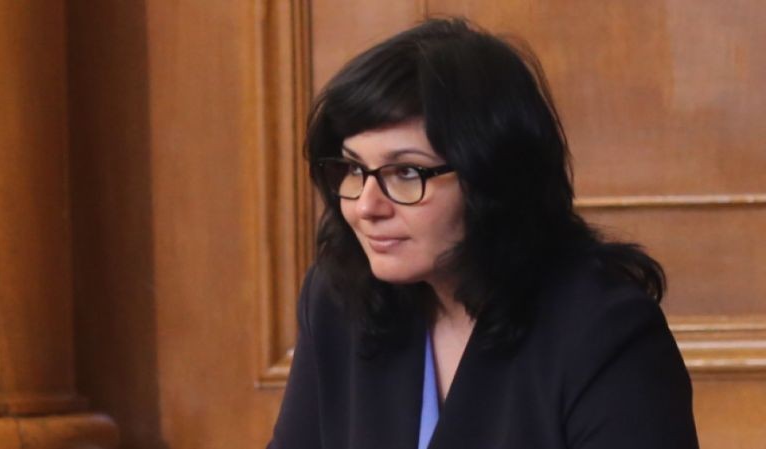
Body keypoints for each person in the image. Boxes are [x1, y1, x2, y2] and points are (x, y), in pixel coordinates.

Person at [267, 17, 699, 449]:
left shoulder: (604, 332)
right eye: (353, 168)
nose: (366, 207)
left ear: (491, 180)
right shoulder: (338, 298)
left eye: (406, 173)